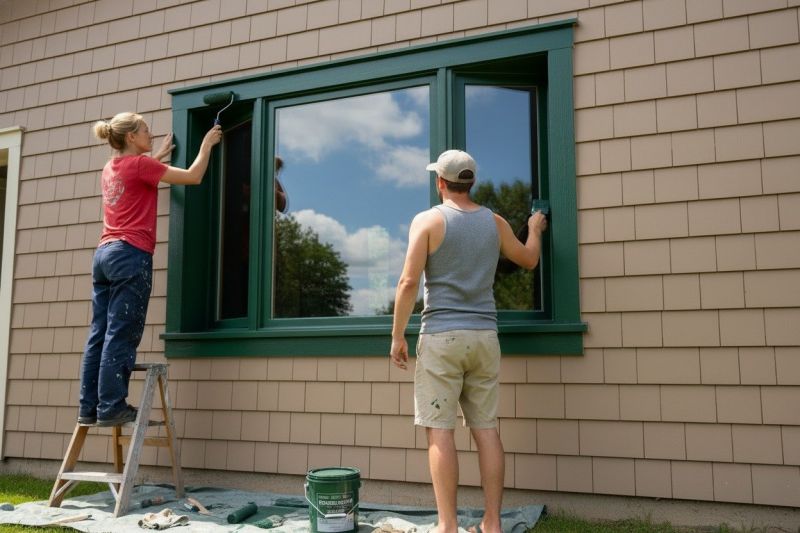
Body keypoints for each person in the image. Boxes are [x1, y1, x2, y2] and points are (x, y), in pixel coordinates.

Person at [389, 150, 547, 533]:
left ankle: (447, 525)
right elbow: (528, 259)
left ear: (440, 182)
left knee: (440, 431)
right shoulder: (494, 223)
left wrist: (397, 337)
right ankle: (491, 523)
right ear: (471, 182)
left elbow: (409, 282)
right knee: (486, 430)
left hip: (442, 337)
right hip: (484, 337)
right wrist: (536, 229)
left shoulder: (428, 220)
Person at [79, 112, 222, 427]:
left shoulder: (111, 168)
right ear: (131, 136)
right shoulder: (142, 166)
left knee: (99, 334)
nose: (150, 134)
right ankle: (113, 408)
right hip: (130, 255)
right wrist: (207, 144)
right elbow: (194, 176)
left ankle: (90, 408)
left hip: (104, 255)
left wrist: (156, 158)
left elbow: (136, 178)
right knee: (122, 334)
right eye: (145, 130)